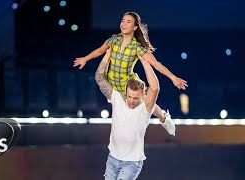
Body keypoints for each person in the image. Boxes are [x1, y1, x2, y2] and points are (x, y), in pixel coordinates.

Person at [74, 11, 179, 134]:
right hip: (112, 83)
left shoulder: (137, 47)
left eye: (128, 22)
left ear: (135, 27)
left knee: (147, 101)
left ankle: (164, 119)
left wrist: (173, 77)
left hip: (128, 84)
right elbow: (99, 51)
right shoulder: (113, 41)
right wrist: (85, 59)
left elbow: (156, 64)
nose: (124, 24)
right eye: (123, 21)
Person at [95, 48, 169, 179]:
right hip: (112, 159)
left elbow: (155, 88)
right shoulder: (117, 98)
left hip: (131, 163)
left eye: (136, 98)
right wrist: (108, 55)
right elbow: (100, 78)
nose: (131, 101)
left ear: (143, 96)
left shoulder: (145, 108)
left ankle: (165, 119)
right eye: (129, 97)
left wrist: (145, 63)